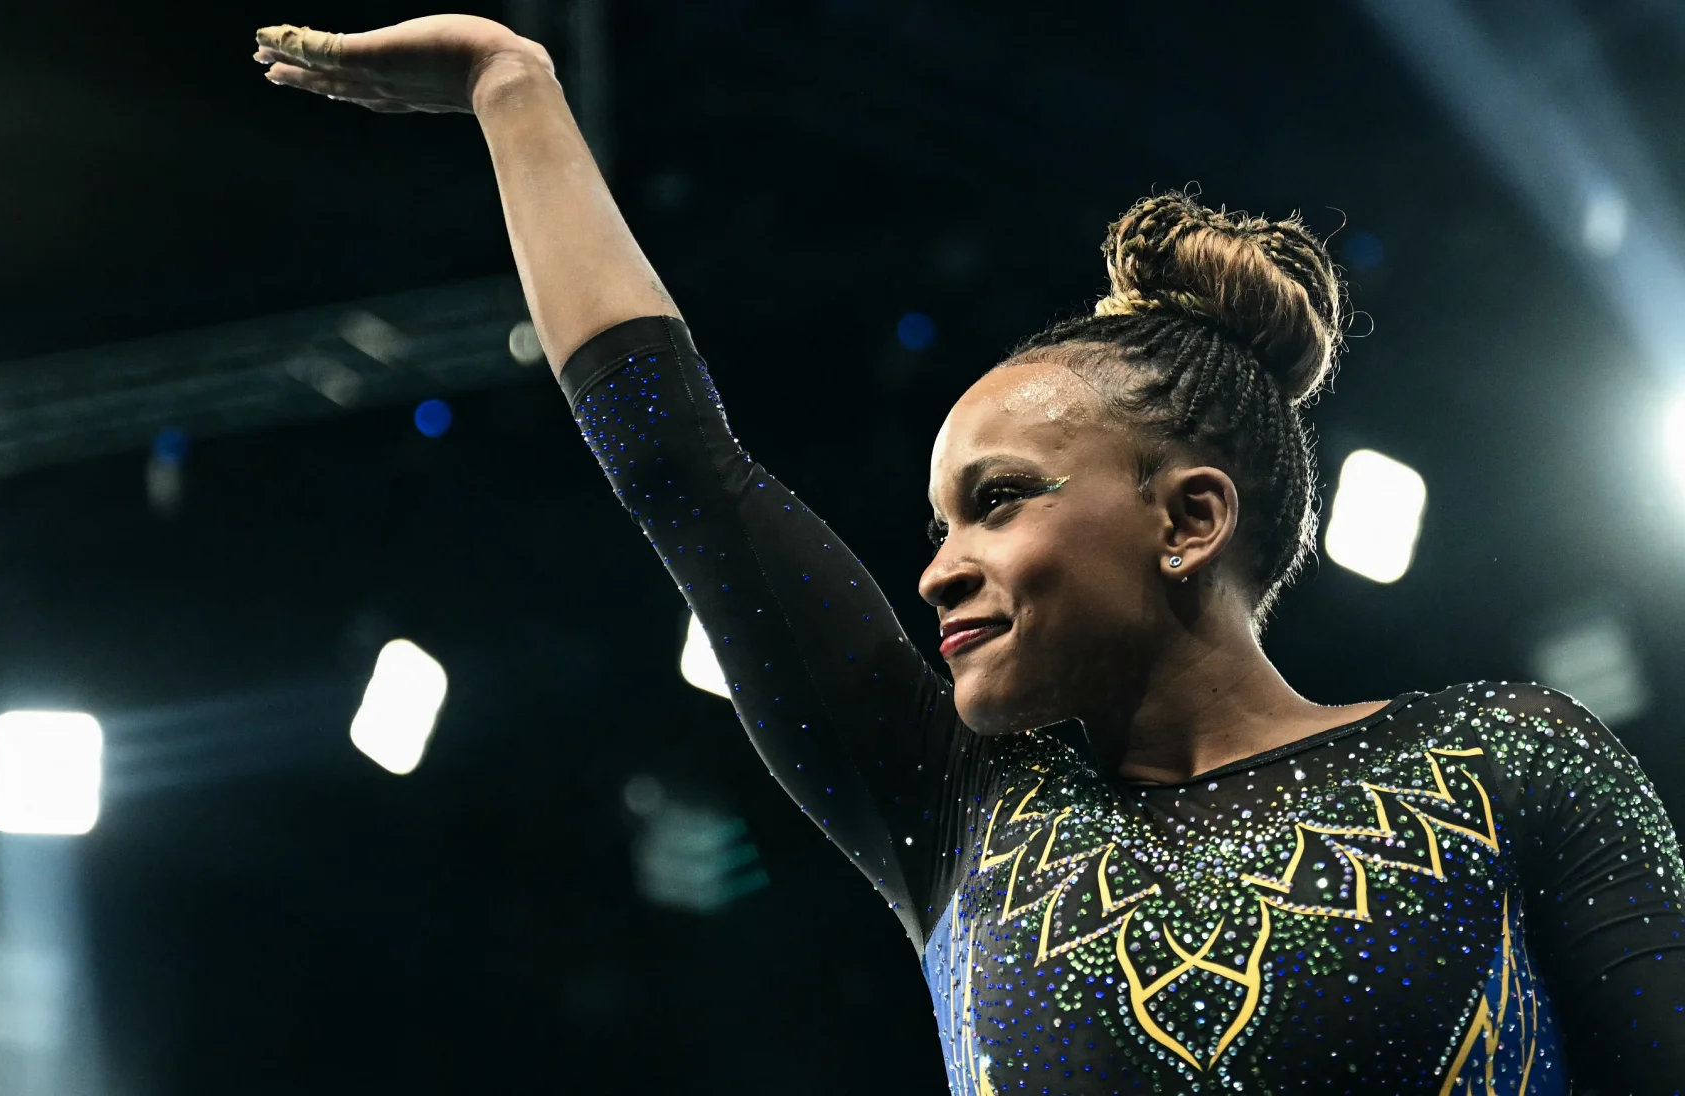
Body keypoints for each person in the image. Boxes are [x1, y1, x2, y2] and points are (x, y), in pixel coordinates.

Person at [253, 16, 1685, 1093]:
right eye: (939, 522)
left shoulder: (1504, 763)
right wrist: (518, 94)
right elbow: (684, 472)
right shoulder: (954, 808)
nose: (937, 567)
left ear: (1189, 520)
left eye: (997, 502)